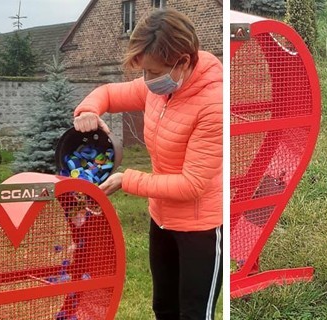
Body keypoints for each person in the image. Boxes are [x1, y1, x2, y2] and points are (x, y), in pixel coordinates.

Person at [72, 8, 222, 319]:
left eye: (154, 72)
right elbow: (110, 93)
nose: (148, 80)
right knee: (164, 308)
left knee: (193, 313)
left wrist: (127, 180)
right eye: (144, 72)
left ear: (182, 62)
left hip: (200, 228)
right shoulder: (160, 88)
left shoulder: (212, 104)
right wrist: (89, 110)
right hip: (162, 217)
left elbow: (192, 184)